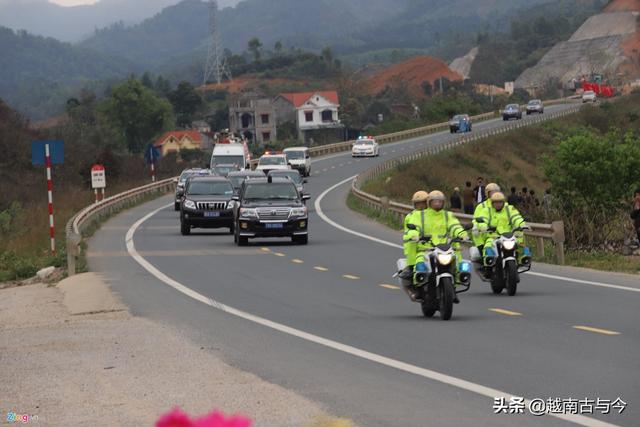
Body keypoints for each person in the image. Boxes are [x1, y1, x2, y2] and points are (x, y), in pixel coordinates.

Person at [401, 190, 468, 302]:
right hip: (426, 248)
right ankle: (419, 287)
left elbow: (455, 226)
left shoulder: (448, 215)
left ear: (444, 203)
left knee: (459, 264)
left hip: (445, 248)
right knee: (419, 264)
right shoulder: (419, 215)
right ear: (429, 202)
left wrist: (462, 234)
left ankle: (453, 288)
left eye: (439, 202)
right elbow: (413, 228)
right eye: (434, 202)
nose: (437, 204)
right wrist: (414, 235)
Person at [471, 182, 502, 259]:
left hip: (501, 233)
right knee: (485, 254)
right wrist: (476, 226)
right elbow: (476, 219)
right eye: (492, 192)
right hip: (485, 233)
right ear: (487, 194)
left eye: (496, 192)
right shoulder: (482, 206)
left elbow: (511, 215)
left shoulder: (503, 205)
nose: (494, 194)